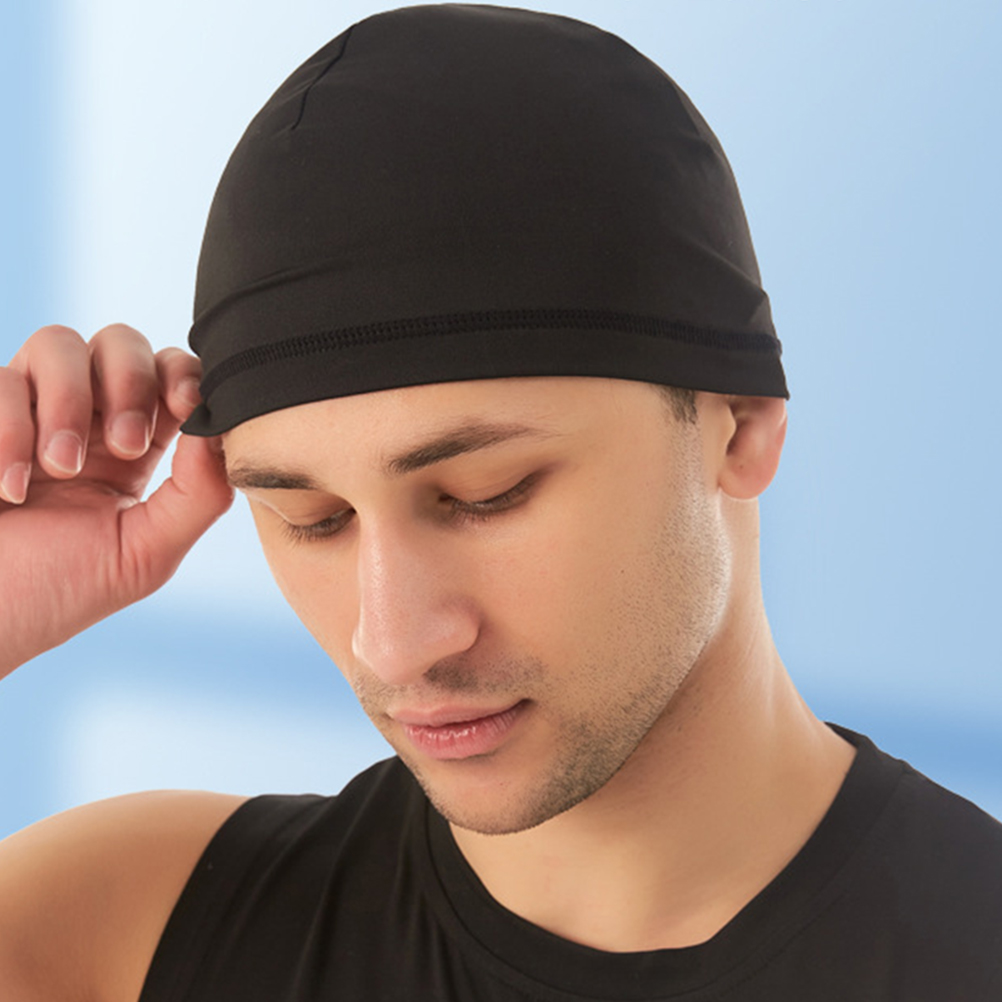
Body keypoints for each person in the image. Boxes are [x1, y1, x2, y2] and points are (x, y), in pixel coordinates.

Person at [0, 5, 999, 1000]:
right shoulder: (119, 940)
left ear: (738, 425)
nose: (393, 645)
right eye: (314, 520)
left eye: (487, 495)